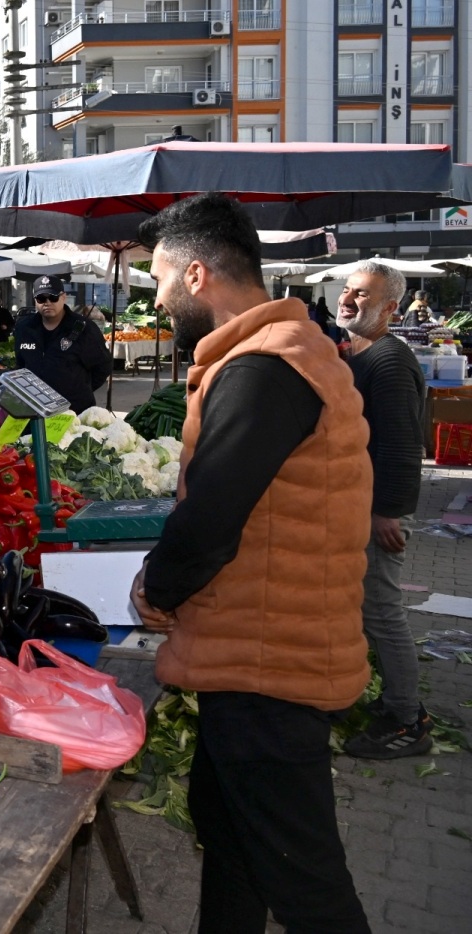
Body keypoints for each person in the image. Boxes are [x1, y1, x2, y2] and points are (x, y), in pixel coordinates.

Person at [129, 192, 373, 933]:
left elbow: (210, 521)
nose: (163, 303)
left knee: (307, 886)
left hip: (270, 666)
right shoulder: (285, 353)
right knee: (231, 839)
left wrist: (155, 585)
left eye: (162, 286)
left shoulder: (266, 367)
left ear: (197, 275)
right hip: (259, 655)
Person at [336, 261, 431, 759]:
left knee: (382, 610)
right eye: (348, 290)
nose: (350, 299)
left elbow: (401, 444)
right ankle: (389, 699)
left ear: (391, 307)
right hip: (357, 505)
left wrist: (388, 511)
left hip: (376, 510)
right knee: (367, 608)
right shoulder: (359, 354)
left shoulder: (389, 361)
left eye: (364, 295)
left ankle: (407, 718)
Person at [13, 275, 111, 414]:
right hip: (34, 413)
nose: (47, 303)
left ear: (63, 297)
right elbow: (20, 365)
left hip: (74, 412)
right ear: (35, 301)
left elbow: (103, 366)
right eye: (41, 299)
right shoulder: (24, 328)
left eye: (53, 297)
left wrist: (79, 390)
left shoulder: (83, 328)